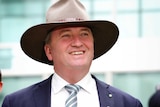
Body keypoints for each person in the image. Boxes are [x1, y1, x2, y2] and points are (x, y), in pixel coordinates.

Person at [2, 0, 143, 107]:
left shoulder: (127, 103)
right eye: (66, 35)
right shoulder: (16, 103)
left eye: (84, 34)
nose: (77, 42)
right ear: (49, 51)